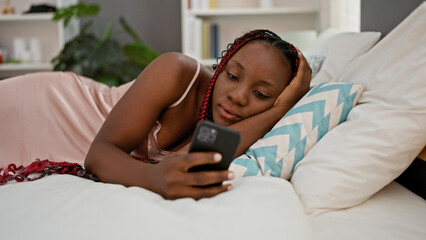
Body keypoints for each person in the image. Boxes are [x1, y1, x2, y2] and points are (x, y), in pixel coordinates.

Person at [84, 29, 312, 200]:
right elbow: (98, 154)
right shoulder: (174, 71)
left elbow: (188, 161)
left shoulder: (257, 124)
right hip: (67, 108)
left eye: (261, 94)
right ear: (220, 68)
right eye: (232, 76)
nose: (238, 97)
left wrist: (280, 111)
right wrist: (152, 178)